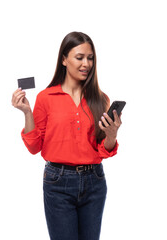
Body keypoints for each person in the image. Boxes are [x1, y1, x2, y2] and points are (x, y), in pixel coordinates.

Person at [11, 31, 122, 240]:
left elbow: (104, 149)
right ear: (64, 59)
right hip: (58, 182)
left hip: (94, 181)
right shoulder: (46, 97)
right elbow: (35, 147)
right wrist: (27, 112)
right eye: (79, 57)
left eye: (90, 58)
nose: (86, 64)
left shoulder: (101, 99)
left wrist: (112, 134)